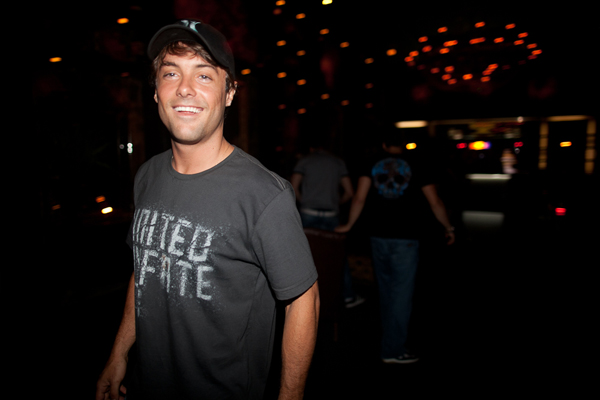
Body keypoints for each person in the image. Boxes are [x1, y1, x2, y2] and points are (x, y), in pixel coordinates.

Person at [95, 19, 319, 400]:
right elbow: (144, 269)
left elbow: (304, 300)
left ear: (229, 93)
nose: (184, 88)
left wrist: (290, 394)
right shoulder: (147, 175)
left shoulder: (264, 194)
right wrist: (119, 353)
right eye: (171, 73)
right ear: (156, 91)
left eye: (203, 75)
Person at [335, 128, 454, 364]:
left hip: (378, 237)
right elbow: (435, 202)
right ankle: (393, 349)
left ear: (384, 144)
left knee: (387, 291)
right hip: (405, 238)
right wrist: (448, 227)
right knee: (401, 294)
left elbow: (359, 198)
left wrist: (349, 224)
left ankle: (390, 340)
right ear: (403, 144)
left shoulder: (371, 162)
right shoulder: (417, 163)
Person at [290, 143, 364, 307]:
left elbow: (293, 187)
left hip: (308, 213)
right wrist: (336, 203)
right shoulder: (337, 162)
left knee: (303, 254)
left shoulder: (305, 161)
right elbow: (350, 192)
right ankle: (348, 295)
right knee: (337, 255)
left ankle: (298, 297)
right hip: (331, 215)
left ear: (311, 147)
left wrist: (304, 202)